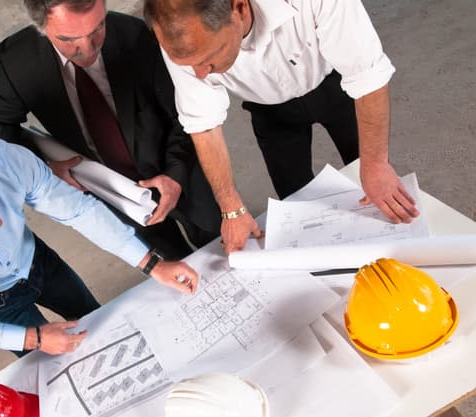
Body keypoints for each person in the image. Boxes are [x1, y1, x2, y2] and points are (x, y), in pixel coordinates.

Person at [143, 0, 420, 253]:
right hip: (270, 111)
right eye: (189, 65)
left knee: (375, 180)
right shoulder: (181, 37)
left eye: (209, 59)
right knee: (295, 201)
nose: (200, 74)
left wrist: (375, 164)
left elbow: (367, 76)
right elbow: (203, 125)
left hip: (335, 86)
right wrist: (231, 209)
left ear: (238, 8)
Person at [0, 138, 198, 356]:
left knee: (95, 320)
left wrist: (152, 264)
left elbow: (79, 210)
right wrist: (35, 338)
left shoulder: (1, 159)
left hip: (36, 261)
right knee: (53, 360)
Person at [0, 0, 221, 261]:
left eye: (97, 28)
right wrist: (43, 166)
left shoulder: (134, 34)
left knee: (219, 244)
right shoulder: (15, 61)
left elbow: (183, 111)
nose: (88, 48)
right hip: (115, 191)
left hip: (178, 169)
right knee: (175, 260)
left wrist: (176, 175)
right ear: (41, 27)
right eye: (68, 38)